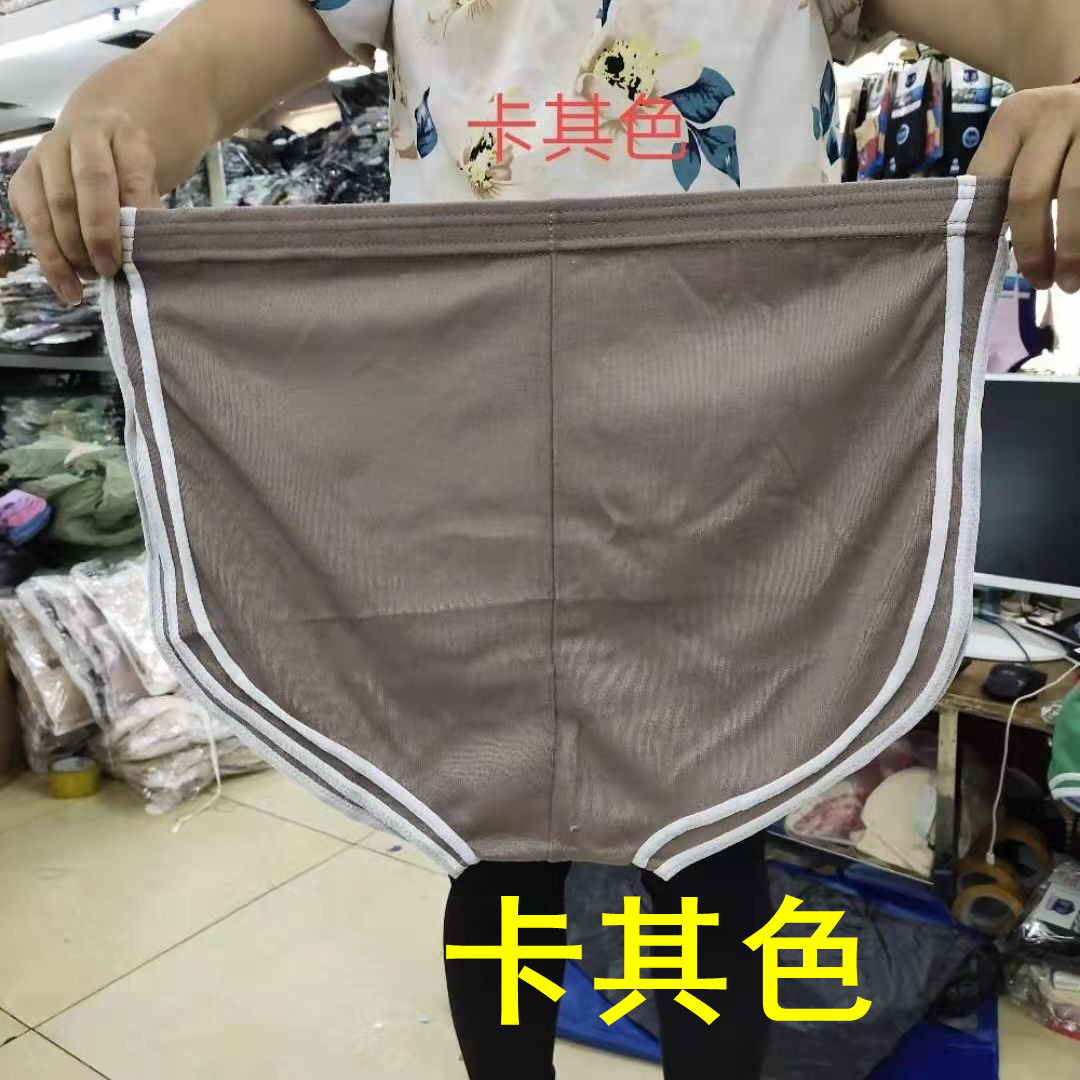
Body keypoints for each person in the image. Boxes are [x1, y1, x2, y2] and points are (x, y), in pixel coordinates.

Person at [9, 2, 1080, 1077]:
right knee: (493, 843)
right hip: (469, 443)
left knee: (710, 849)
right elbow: (204, 66)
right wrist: (123, 105)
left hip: (735, 453)